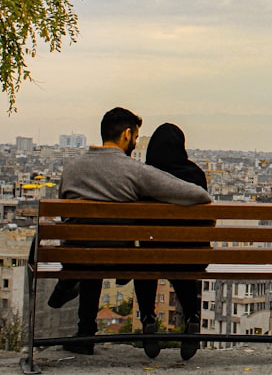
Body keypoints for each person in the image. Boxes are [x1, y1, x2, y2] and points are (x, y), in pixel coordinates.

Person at [50, 107, 211, 356]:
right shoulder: (134, 172)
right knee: (108, 251)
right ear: (126, 134)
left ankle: (84, 332)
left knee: (90, 254)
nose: (135, 143)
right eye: (135, 137)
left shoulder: (72, 169)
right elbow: (199, 195)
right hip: (120, 259)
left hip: (77, 259)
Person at [133, 122, 207, 360]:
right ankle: (192, 318)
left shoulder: (146, 176)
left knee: (147, 260)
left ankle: (147, 318)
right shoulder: (196, 175)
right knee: (180, 257)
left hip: (151, 256)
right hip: (192, 258)